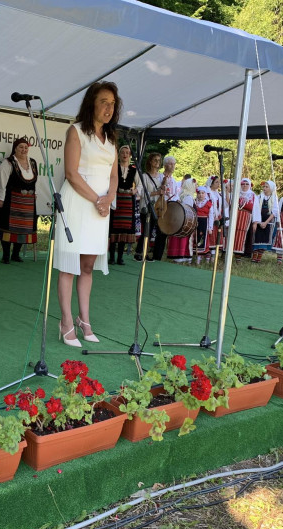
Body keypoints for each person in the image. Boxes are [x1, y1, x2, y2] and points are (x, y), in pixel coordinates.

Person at [53, 81, 120, 347]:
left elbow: (114, 176)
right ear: (91, 103)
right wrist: (97, 200)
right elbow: (71, 173)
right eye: (104, 102)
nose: (109, 108)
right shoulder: (76, 131)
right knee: (70, 266)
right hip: (78, 204)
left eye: (112, 104)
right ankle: (66, 321)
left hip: (100, 209)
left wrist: (109, 199)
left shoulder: (112, 138)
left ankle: (84, 319)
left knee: (88, 266)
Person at [0, 137, 37, 264]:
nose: (24, 150)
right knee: (7, 228)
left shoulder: (33, 163)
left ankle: (16, 254)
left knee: (23, 229)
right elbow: (1, 182)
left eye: (26, 147)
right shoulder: (8, 163)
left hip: (28, 202)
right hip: (11, 200)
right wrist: (0, 198)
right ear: (15, 149)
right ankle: (6, 255)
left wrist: (36, 194)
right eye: (21, 147)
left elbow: (36, 181)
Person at [108, 144, 138, 266]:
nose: (125, 155)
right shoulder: (114, 168)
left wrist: (135, 191)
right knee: (113, 229)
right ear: (119, 155)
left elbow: (140, 185)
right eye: (122, 152)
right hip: (115, 199)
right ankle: (111, 257)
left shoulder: (134, 169)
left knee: (124, 230)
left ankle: (120, 258)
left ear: (130, 155)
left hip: (128, 201)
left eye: (127, 153)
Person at [134, 152, 162, 262]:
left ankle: (145, 252)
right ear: (150, 161)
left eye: (159, 160)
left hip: (157, 207)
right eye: (155, 160)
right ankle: (139, 252)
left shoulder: (161, 177)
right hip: (146, 206)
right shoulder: (145, 177)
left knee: (150, 231)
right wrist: (157, 193)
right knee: (146, 230)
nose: (157, 162)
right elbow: (142, 193)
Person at [166, 177, 195, 263]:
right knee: (182, 239)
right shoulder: (188, 197)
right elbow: (188, 211)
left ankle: (177, 255)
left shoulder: (181, 195)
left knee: (177, 237)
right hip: (185, 221)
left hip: (179, 221)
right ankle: (181, 256)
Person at [250, 180, 278, 264]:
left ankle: (259, 257)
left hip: (268, 222)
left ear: (271, 188)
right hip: (258, 220)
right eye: (264, 186)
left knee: (264, 239)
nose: (264, 188)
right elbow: (255, 209)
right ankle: (254, 256)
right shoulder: (258, 197)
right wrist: (258, 222)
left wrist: (265, 222)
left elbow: (274, 212)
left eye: (267, 187)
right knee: (256, 238)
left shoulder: (274, 198)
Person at [192, 185, 216, 264]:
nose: (201, 195)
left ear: (205, 194)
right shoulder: (194, 202)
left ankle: (200, 258)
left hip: (204, 223)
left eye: (203, 193)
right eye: (199, 193)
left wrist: (210, 227)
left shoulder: (208, 204)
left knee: (202, 239)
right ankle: (194, 256)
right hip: (196, 222)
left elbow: (211, 216)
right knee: (195, 238)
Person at [233, 178, 255, 262]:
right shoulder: (236, 193)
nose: (244, 186)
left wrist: (255, 222)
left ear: (249, 185)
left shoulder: (252, 195)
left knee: (241, 236)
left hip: (245, 218)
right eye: (243, 184)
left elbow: (256, 209)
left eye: (247, 184)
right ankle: (228, 255)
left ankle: (238, 257)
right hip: (235, 217)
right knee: (232, 234)